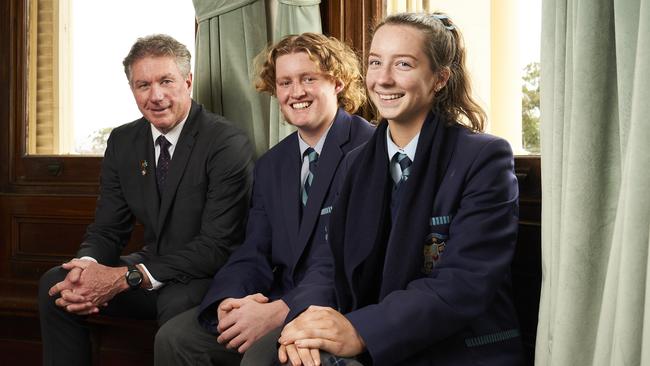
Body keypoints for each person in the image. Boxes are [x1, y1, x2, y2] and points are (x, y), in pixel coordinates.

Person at [278, 12, 525, 366]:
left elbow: (464, 282)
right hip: (372, 333)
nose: (383, 79)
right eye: (376, 62)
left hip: (456, 349)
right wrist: (305, 323)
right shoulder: (354, 162)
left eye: (404, 64)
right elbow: (327, 262)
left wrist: (361, 330)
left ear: (440, 78)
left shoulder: (484, 157)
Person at [154, 32, 374, 366]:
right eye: (285, 83)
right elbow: (253, 248)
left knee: (260, 358)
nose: (295, 92)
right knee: (175, 338)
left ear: (339, 82)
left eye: (308, 79)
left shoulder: (369, 149)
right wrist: (229, 302)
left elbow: (346, 261)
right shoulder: (273, 163)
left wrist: (281, 311)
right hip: (276, 297)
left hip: (338, 307)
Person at [38, 34, 254, 366]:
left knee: (176, 304)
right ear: (132, 90)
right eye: (143, 85)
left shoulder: (225, 141)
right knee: (58, 285)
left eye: (166, 81)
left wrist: (129, 276)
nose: (156, 96)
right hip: (150, 267)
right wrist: (87, 267)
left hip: (208, 275)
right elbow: (108, 228)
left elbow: (216, 246)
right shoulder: (124, 141)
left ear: (188, 81)